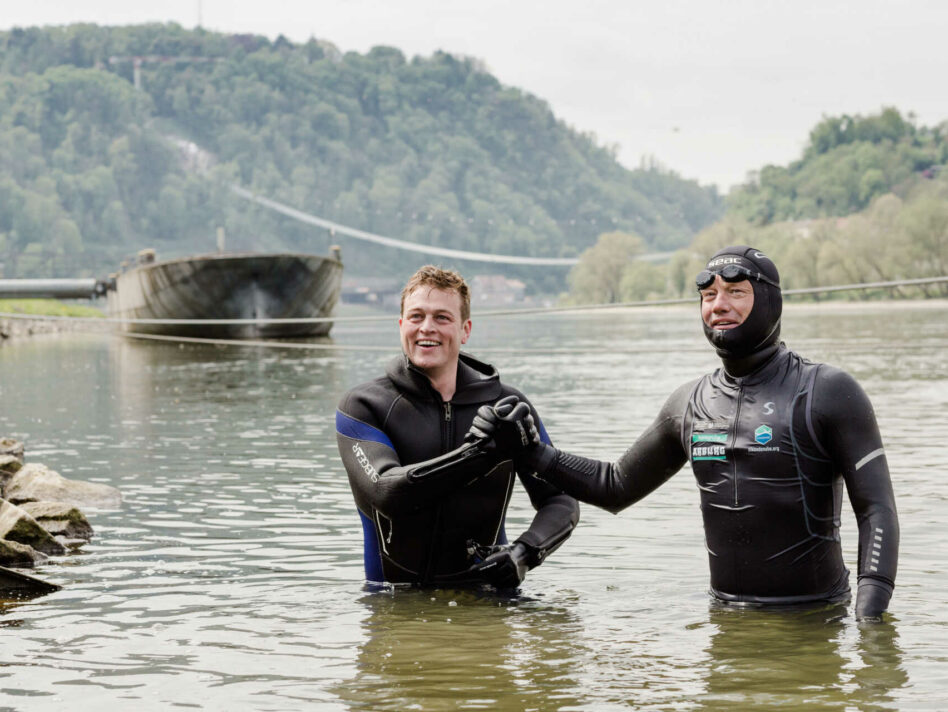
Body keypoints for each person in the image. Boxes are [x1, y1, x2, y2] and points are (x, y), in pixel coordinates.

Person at [472, 246, 899, 620]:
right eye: (708, 295)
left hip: (815, 618)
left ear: (770, 301)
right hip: (726, 619)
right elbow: (615, 485)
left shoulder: (827, 391)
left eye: (735, 292)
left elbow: (876, 509)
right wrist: (530, 453)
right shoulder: (690, 403)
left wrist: (870, 621)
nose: (719, 305)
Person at [335, 265, 579, 588]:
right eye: (416, 317)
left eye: (442, 318)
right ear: (401, 325)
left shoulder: (506, 408)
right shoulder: (364, 407)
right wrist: (479, 454)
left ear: (465, 330)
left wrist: (523, 553)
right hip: (393, 607)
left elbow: (562, 500)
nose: (427, 328)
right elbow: (386, 491)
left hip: (488, 604)